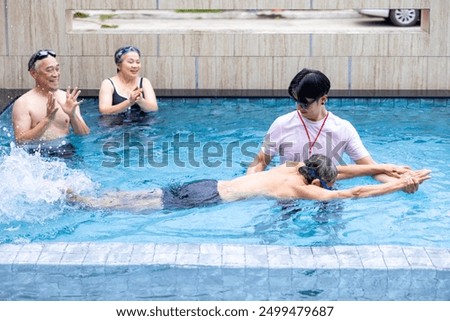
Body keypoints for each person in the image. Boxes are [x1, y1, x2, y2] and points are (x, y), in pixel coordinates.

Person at [246, 68, 418, 193]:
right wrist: (248, 185)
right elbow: (261, 160)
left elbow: (371, 169)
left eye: (304, 103)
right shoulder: (282, 124)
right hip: (289, 191)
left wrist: (401, 184)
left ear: (323, 99)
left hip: (328, 191)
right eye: (295, 101)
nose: (298, 107)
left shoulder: (343, 129)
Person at [69, 154, 431, 212]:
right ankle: (82, 202)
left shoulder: (294, 166)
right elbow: (354, 189)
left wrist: (393, 167)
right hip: (207, 200)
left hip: (207, 182)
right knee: (132, 209)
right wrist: (399, 184)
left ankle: (84, 193)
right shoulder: (302, 190)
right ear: (319, 180)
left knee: (140, 195)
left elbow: (350, 171)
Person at [12, 49, 90, 145]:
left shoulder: (67, 99)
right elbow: (20, 141)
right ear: (33, 73)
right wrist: (47, 120)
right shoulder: (23, 103)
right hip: (36, 155)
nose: (55, 74)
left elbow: (85, 135)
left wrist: (72, 115)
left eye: (57, 69)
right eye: (49, 70)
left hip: (67, 152)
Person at [98, 45, 158, 117]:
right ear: (118, 65)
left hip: (141, 126)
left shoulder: (144, 82)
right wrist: (129, 102)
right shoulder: (108, 84)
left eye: (138, 62)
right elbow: (104, 111)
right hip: (115, 126)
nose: (135, 66)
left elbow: (154, 108)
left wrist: (141, 101)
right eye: (130, 62)